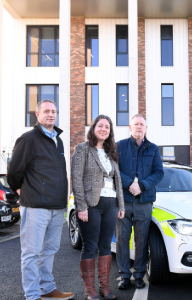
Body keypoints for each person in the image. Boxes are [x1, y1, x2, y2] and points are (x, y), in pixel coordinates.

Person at [7, 100, 74, 300]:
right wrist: (19, 188)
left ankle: (47, 288)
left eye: (54, 111)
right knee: (31, 252)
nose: (51, 114)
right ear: (37, 114)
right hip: (35, 205)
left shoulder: (58, 140)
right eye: (46, 111)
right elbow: (14, 171)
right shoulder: (28, 139)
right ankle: (33, 294)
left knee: (50, 250)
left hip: (56, 206)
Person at [71, 115, 125, 300]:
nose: (104, 129)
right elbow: (76, 179)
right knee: (90, 245)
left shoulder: (112, 153)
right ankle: (89, 290)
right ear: (94, 128)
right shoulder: (83, 149)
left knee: (105, 246)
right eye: (100, 126)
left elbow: (117, 180)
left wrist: (121, 205)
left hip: (111, 204)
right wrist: (81, 206)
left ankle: (104, 286)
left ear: (110, 132)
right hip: (91, 205)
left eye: (107, 127)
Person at [116, 114, 164, 289]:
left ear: (146, 128)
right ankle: (124, 276)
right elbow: (114, 170)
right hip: (125, 201)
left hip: (144, 202)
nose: (138, 127)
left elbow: (159, 172)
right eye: (135, 124)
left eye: (141, 124)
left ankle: (138, 274)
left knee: (142, 240)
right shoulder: (119, 146)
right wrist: (130, 184)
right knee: (122, 239)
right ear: (130, 127)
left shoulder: (153, 148)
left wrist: (142, 186)